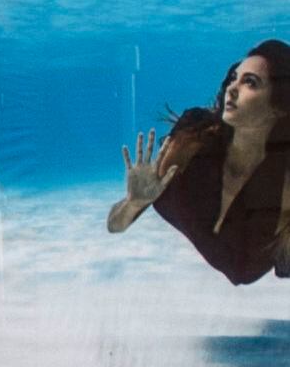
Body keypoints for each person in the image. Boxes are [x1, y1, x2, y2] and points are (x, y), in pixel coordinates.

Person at [108, 40, 290, 283]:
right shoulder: (194, 139)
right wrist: (134, 203)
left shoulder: (283, 187)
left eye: (250, 82)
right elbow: (115, 225)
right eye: (234, 78)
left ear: (279, 106)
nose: (232, 89)